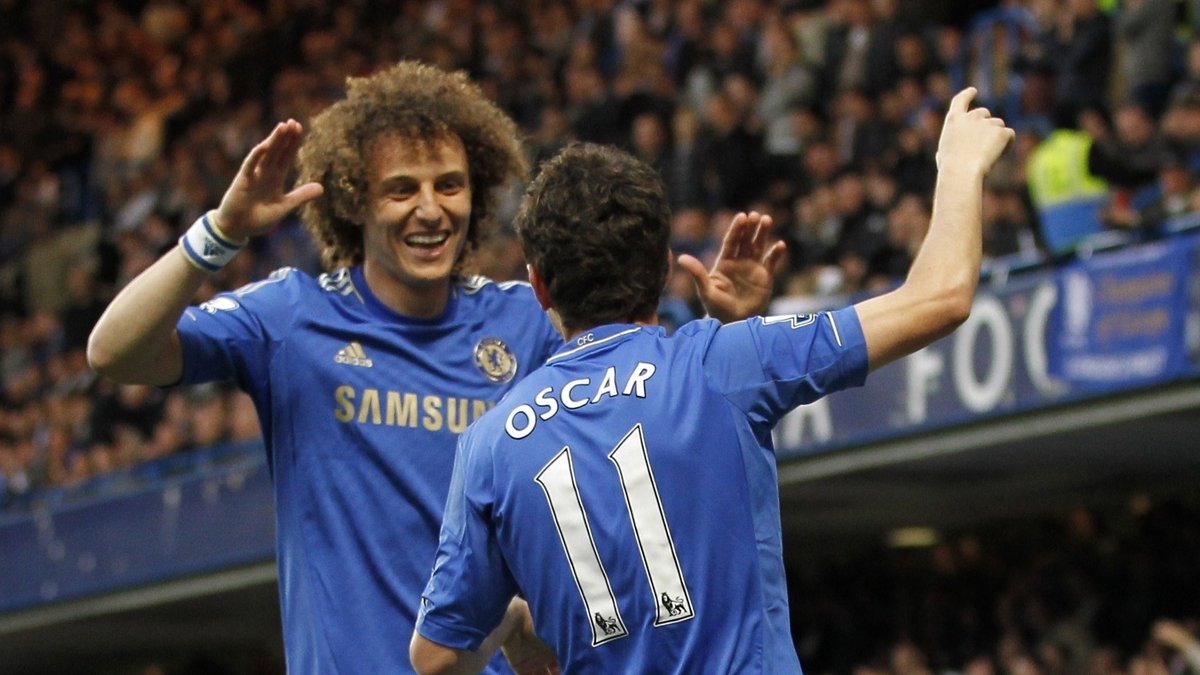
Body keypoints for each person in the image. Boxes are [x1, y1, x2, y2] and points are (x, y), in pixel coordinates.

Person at [86, 61, 778, 674]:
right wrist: (220, 233)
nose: (430, 209)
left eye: (450, 185)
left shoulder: (526, 318)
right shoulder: (290, 320)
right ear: (354, 200)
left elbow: (660, 411)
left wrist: (729, 329)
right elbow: (115, 352)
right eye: (401, 189)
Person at [409, 87, 1014, 673]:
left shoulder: (490, 443)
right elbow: (940, 297)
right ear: (663, 266)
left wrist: (516, 622)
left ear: (539, 285)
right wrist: (958, 166)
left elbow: (434, 657)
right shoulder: (723, 364)